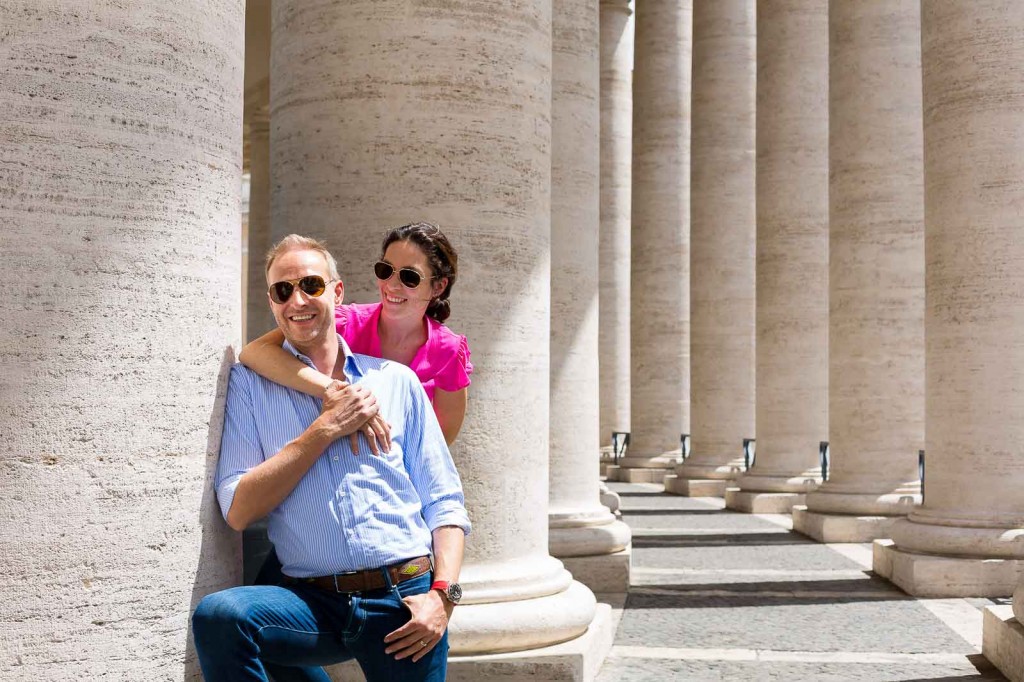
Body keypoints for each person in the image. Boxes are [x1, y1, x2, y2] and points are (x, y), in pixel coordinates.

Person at [192, 235, 470, 682]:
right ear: (271, 300)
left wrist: (443, 596)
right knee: (222, 617)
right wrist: (325, 429)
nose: (297, 300)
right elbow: (239, 510)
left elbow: (445, 503)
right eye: (283, 290)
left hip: (405, 600)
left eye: (311, 285)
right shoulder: (249, 385)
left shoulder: (397, 383)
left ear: (337, 293)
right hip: (312, 602)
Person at [239, 222, 472, 447]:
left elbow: (440, 439)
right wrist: (338, 392)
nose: (391, 285)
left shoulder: (449, 351)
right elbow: (253, 353)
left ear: (439, 286)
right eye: (386, 270)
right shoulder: (344, 321)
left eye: (409, 277)